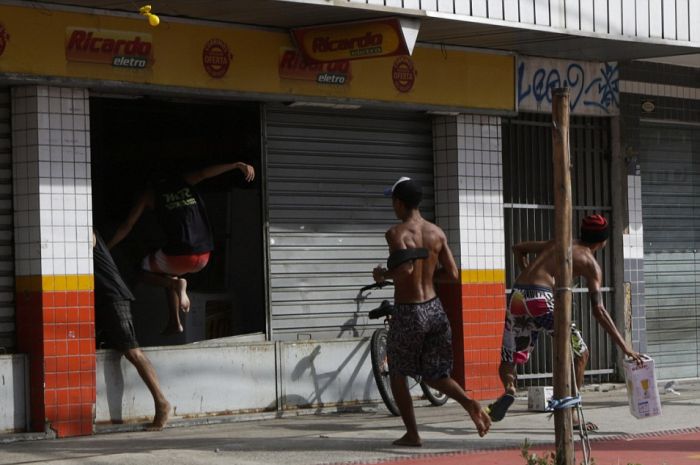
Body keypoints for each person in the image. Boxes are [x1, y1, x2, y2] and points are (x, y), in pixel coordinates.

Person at [488, 214, 644, 430]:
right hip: (541, 298)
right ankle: (572, 414)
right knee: (581, 352)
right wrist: (625, 347)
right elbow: (599, 310)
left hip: (518, 294)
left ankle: (509, 388)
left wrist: (526, 272)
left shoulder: (559, 242)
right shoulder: (591, 264)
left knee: (510, 354)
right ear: (603, 241)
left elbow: (517, 248)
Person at [372, 176, 491, 447]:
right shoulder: (437, 232)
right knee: (436, 374)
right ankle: (469, 402)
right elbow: (453, 274)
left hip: (409, 311)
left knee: (398, 373)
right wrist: (429, 278)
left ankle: (413, 434)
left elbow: (405, 271)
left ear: (399, 203)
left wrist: (382, 275)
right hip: (436, 310)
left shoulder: (396, 233)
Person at [107, 162, 255, 334]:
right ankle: (175, 322)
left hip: (180, 257)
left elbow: (127, 226)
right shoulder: (185, 181)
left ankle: (176, 285)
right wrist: (237, 165)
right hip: (204, 255)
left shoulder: (148, 194)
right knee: (169, 272)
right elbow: (206, 172)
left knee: (138, 271)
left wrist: (107, 247)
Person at [93, 230, 171, 430]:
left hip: (112, 297)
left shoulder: (86, 228)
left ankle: (161, 402)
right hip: (98, 300)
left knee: (133, 351)